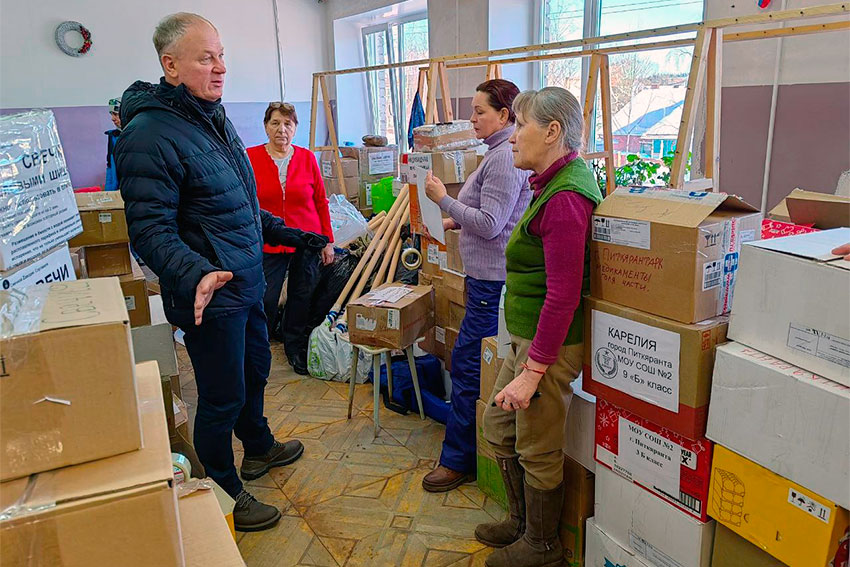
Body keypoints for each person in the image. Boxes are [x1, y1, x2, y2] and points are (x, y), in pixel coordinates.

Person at [114, 13, 329, 533]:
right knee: (218, 397)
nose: (221, 67)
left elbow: (241, 207)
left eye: (222, 55)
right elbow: (150, 231)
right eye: (206, 57)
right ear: (170, 65)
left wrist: (298, 235)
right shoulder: (146, 136)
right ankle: (225, 491)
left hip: (246, 284)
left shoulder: (213, 118)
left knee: (255, 372)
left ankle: (258, 445)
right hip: (210, 294)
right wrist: (197, 274)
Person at [475, 87, 603, 567]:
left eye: (521, 124)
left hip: (548, 347)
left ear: (552, 132)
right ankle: (521, 523)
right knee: (498, 424)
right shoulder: (550, 184)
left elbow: (564, 294)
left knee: (538, 445)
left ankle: (542, 546)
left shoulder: (567, 197)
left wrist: (533, 371)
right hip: (529, 339)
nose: (512, 137)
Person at [421, 79, 530, 493]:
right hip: (485, 280)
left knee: (468, 368)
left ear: (504, 115)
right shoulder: (497, 154)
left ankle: (458, 460)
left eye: (480, 111)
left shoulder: (503, 158)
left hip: (491, 285)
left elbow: (490, 223)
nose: (472, 119)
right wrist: (449, 221)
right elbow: (486, 214)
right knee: (469, 365)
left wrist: (440, 199)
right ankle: (463, 450)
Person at [246, 103, 335, 375]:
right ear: (265, 126)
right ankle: (257, 350)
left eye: (287, 123)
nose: (281, 130)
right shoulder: (250, 158)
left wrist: (327, 240)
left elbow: (320, 201)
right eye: (275, 123)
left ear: (295, 128)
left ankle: (294, 348)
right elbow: (245, 202)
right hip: (268, 240)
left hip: (305, 240)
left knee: (301, 296)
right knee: (266, 297)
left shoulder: (307, 158)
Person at [104, 98, 122, 190]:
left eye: (116, 114)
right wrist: (108, 193)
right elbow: (110, 166)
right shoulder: (113, 136)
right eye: (111, 114)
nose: (112, 119)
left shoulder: (139, 136)